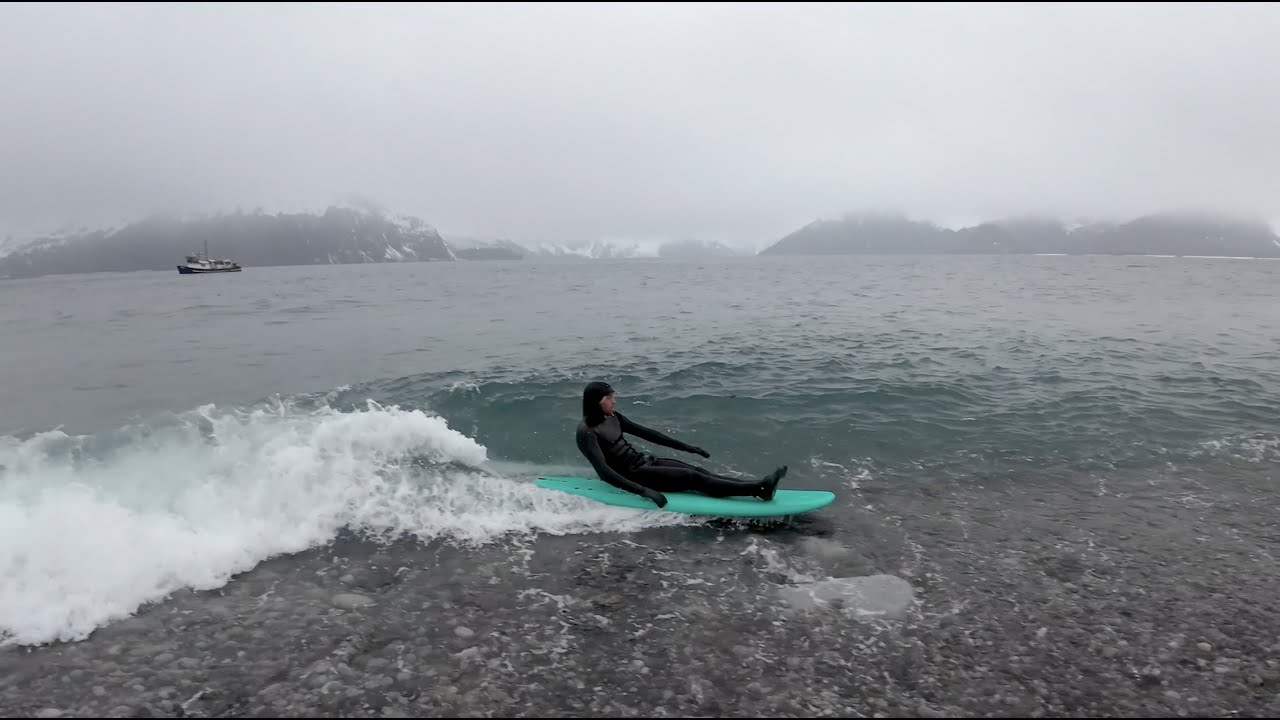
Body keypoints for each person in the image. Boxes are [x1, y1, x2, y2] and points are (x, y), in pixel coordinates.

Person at [575, 380, 786, 508]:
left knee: (698, 470)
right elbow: (603, 471)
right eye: (610, 398)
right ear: (598, 401)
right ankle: (760, 488)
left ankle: (759, 487)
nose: (614, 401)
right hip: (632, 475)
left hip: (644, 463)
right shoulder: (586, 432)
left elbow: (650, 435)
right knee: (691, 478)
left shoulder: (613, 417)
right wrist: (644, 492)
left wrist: (688, 447)